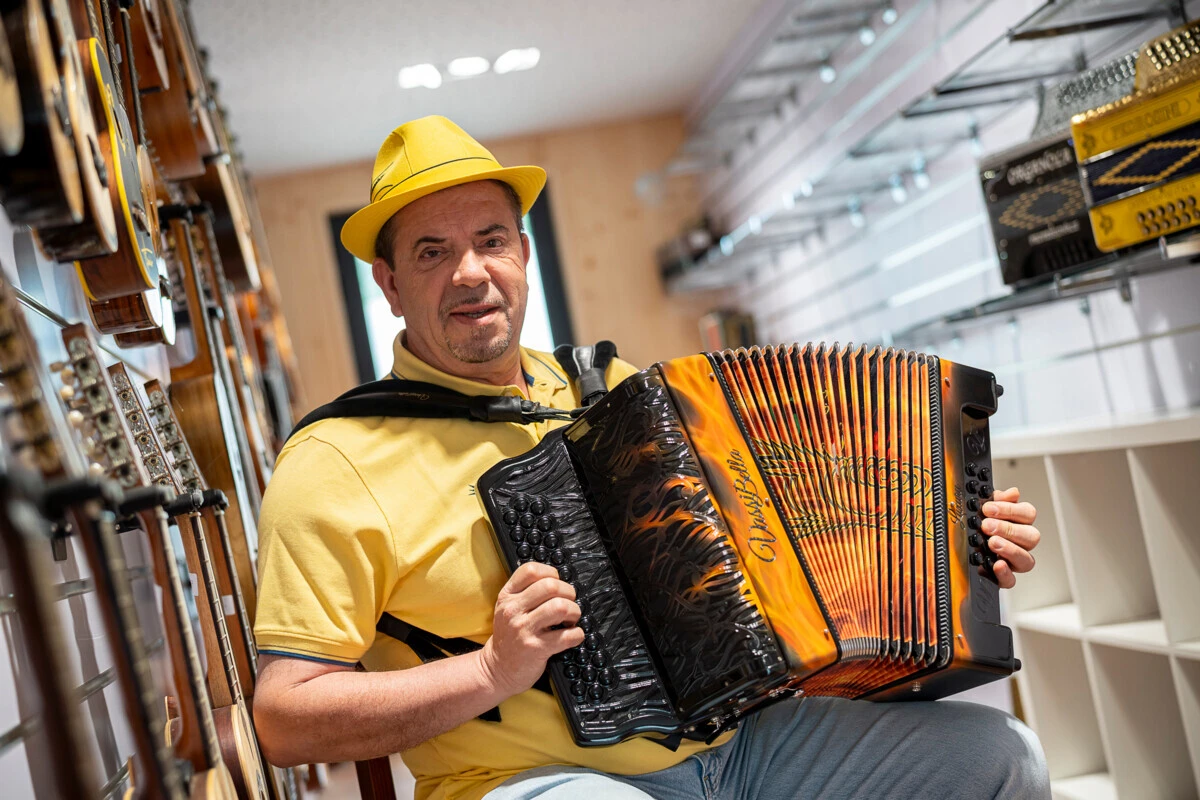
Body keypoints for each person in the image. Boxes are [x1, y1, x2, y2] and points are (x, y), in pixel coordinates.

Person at [251, 115, 1050, 800]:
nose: (470, 273)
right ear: (387, 285)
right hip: (534, 778)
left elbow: (781, 540)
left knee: (1000, 757)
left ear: (523, 254)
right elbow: (285, 720)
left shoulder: (615, 392)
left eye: (490, 240)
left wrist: (949, 542)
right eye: (432, 253)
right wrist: (492, 670)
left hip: (741, 744)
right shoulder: (334, 461)